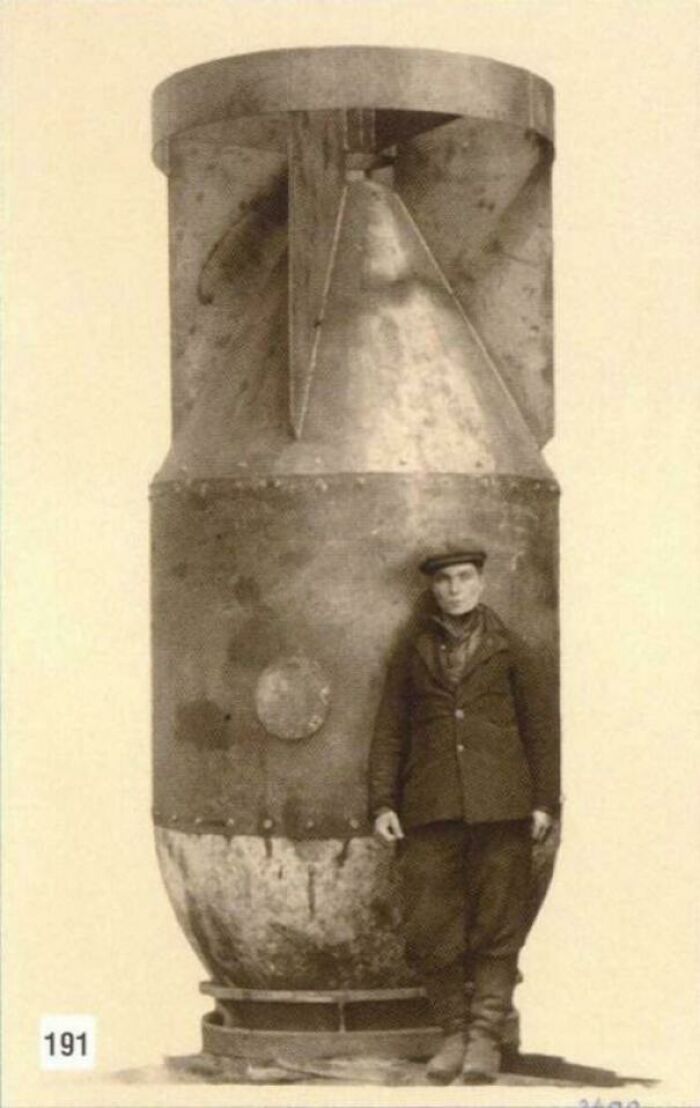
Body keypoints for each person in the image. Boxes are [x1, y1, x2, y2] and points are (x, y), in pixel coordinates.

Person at [368, 549, 560, 1084]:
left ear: (480, 581)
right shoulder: (413, 650)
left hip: (502, 807)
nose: (455, 589)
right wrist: (383, 802)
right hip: (429, 808)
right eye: (445, 581)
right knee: (433, 925)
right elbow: (389, 731)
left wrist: (544, 801)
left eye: (464, 578)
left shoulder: (511, 647)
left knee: (499, 924)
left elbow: (542, 731)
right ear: (433, 589)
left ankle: (485, 1040)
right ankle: (452, 1033)